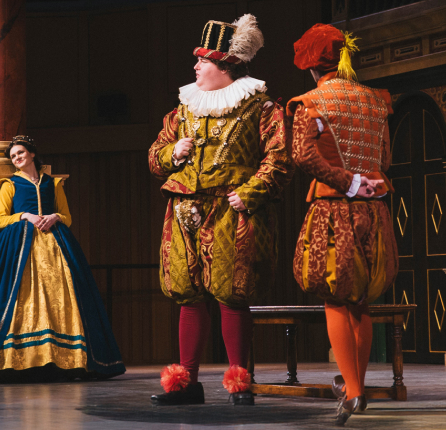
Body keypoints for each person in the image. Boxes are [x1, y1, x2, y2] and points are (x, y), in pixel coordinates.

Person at [147, 14, 292, 406]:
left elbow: (279, 160)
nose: (196, 67)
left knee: (231, 293)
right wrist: (170, 152)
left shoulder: (259, 107)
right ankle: (185, 383)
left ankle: (239, 382)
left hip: (232, 211)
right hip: (183, 210)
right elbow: (154, 159)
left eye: (204, 61)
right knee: (187, 292)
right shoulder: (183, 110)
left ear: (225, 66)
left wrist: (250, 192)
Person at [288, 24, 398, 426]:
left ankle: (352, 393)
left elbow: (301, 156)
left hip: (335, 209)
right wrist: (365, 179)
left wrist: (346, 181)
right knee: (361, 300)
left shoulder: (312, 103)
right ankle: (358, 386)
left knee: (335, 296)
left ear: (312, 66)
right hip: (374, 210)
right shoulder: (374, 101)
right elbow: (384, 158)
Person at [0, 136, 125, 382]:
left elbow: (67, 216)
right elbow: (1, 219)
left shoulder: (52, 184)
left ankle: (65, 360)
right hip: (20, 246)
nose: (17, 158)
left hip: (56, 245)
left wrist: (55, 216)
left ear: (32, 154)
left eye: (20, 153)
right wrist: (26, 215)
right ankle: (18, 361)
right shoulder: (10, 184)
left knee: (61, 296)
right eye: (13, 156)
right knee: (19, 297)